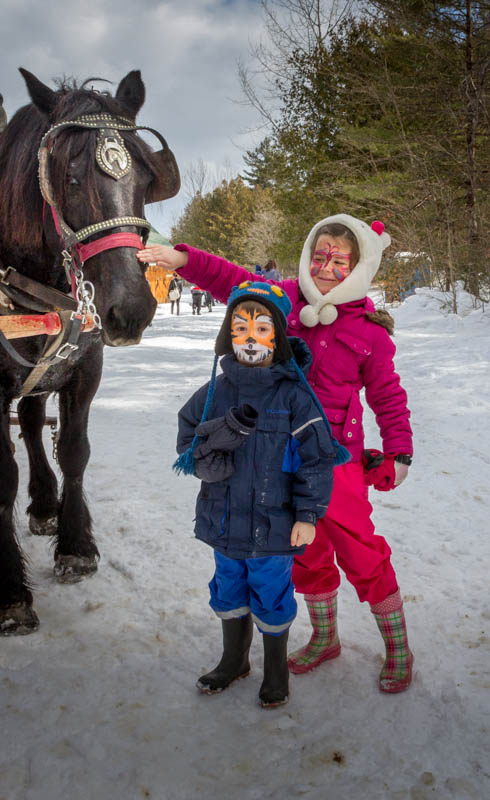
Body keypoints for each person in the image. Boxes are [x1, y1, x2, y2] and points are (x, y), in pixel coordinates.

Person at [137, 213, 415, 694]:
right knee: (302, 554)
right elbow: (234, 283)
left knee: (361, 553)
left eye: (340, 261)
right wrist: (184, 259)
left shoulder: (369, 331)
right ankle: (325, 637)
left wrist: (399, 451)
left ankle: (398, 647)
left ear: (359, 267)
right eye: (320, 256)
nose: (326, 268)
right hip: (276, 460)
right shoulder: (286, 300)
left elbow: (387, 394)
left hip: (337, 464)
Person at [174, 281, 347, 707]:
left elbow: (317, 458)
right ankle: (234, 660)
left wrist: (308, 514)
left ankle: (275, 670)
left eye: (261, 328)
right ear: (227, 335)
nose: (249, 338)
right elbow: (188, 437)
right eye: (240, 328)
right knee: (227, 589)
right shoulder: (215, 392)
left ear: (278, 337)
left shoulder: (294, 396)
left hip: (275, 526)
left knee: (271, 594)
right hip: (223, 519)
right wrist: (205, 456)